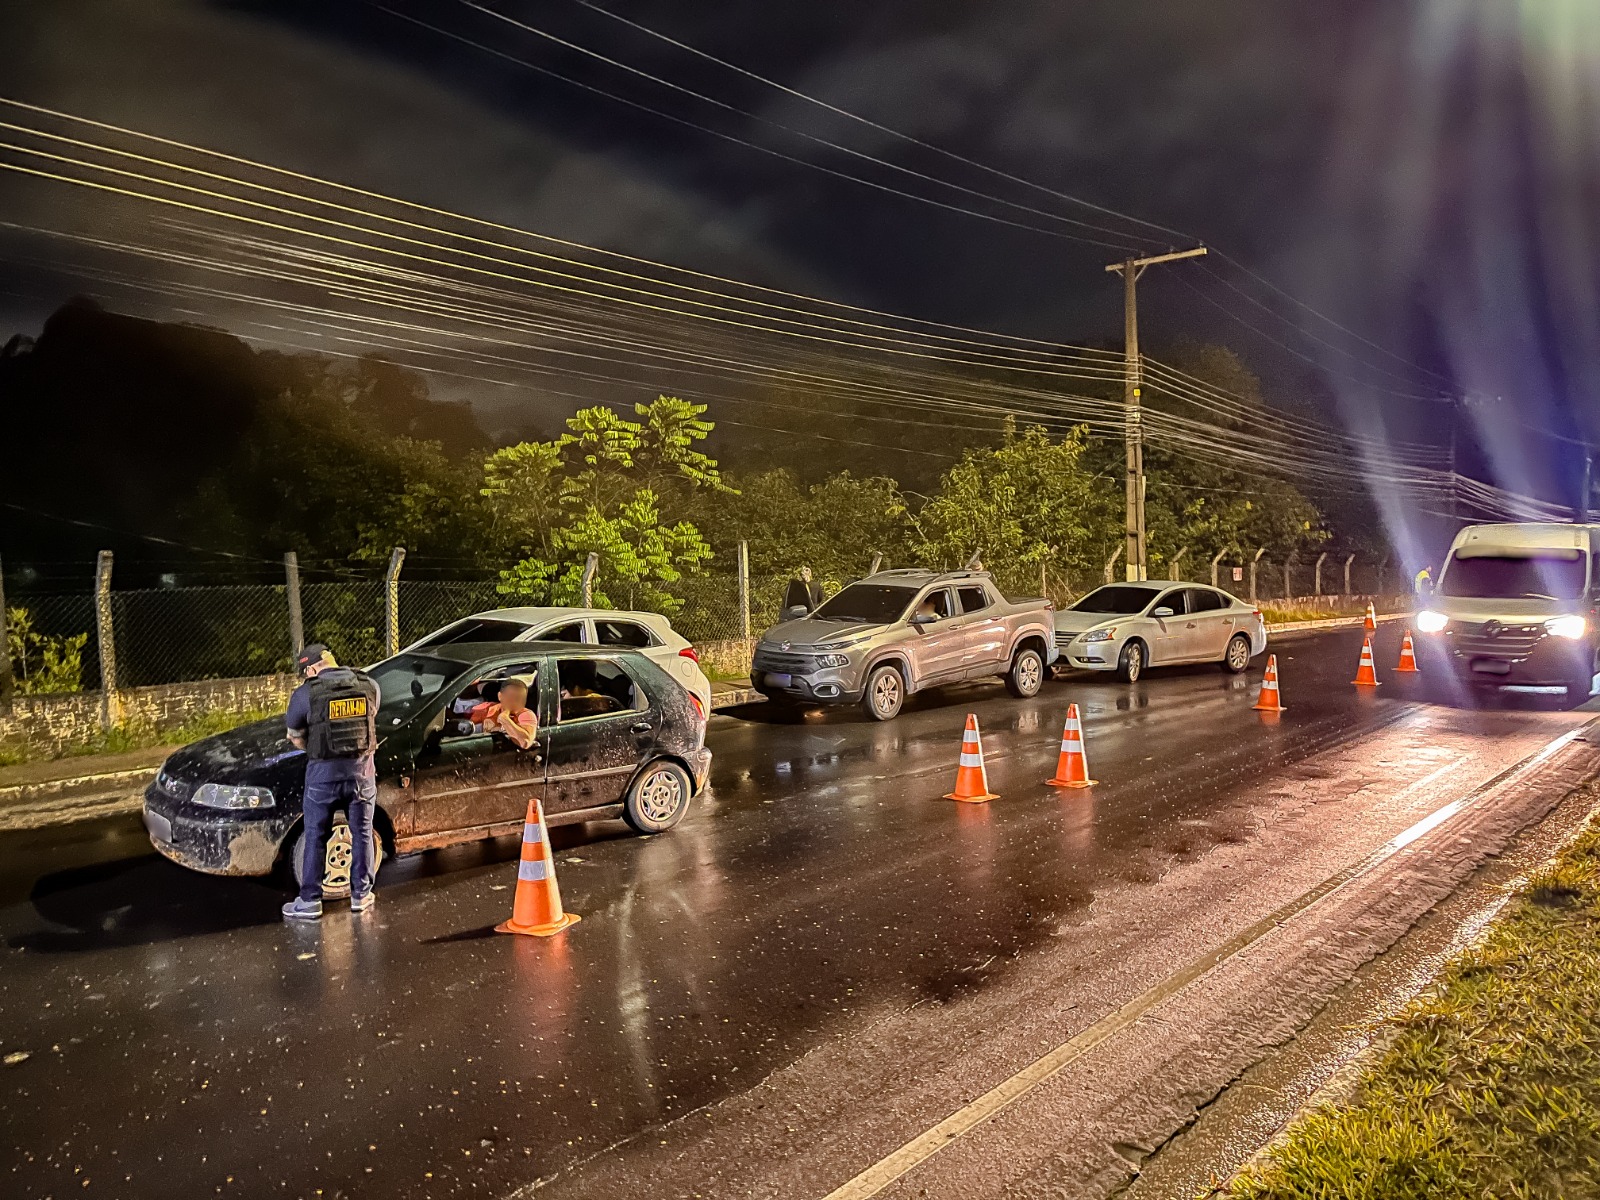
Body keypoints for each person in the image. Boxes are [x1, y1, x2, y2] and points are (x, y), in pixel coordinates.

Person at [281, 644, 381, 921]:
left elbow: (295, 736)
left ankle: (310, 901)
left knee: (315, 834)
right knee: (361, 833)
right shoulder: (369, 685)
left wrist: (316, 750)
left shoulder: (305, 694)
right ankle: (361, 896)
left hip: (322, 778)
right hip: (361, 775)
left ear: (311, 669)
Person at [468, 677, 538, 750]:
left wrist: (505, 719)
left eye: (520, 698)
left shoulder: (526, 715)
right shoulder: (486, 709)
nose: (515, 702)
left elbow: (525, 742)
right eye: (511, 697)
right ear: (500, 696)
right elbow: (466, 733)